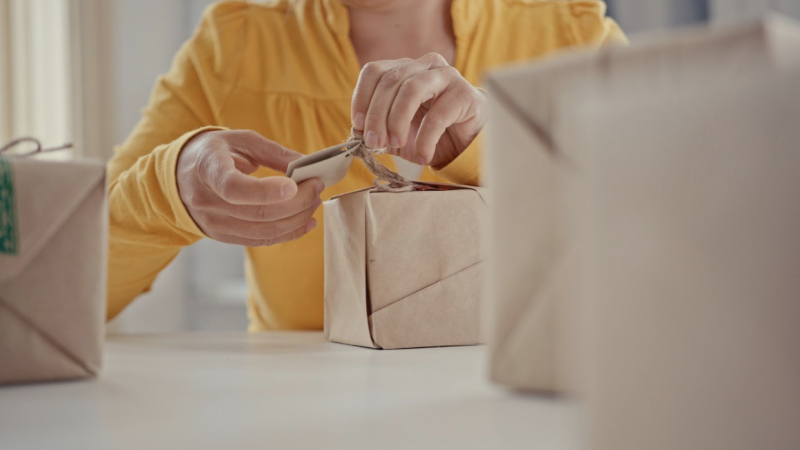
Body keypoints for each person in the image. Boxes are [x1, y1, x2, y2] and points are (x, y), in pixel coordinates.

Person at [107, 0, 626, 331]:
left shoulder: (573, 36)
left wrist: (497, 147)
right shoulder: (229, 51)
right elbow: (73, 282)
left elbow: (670, 252)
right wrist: (166, 188)